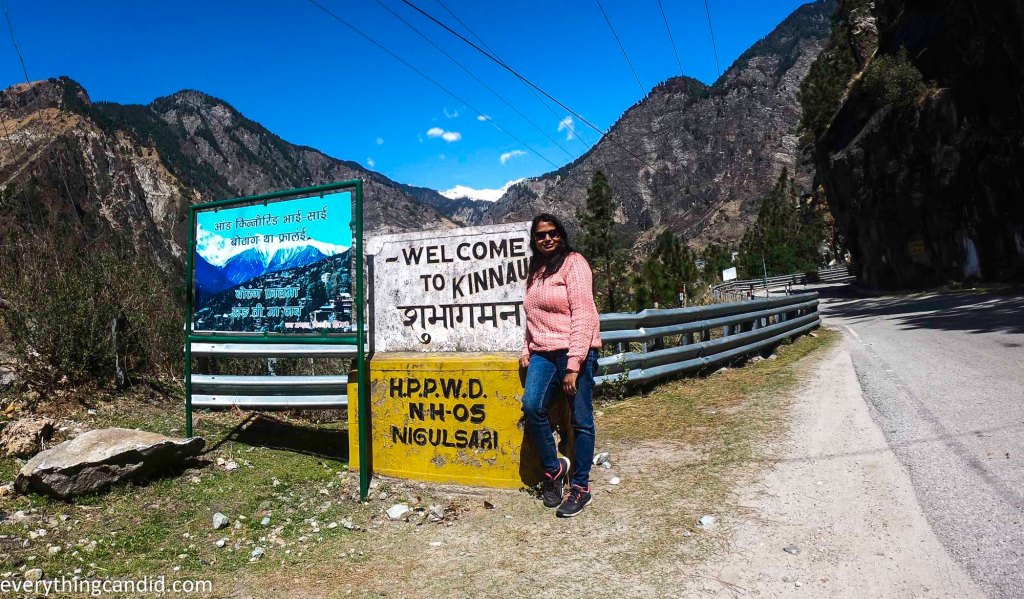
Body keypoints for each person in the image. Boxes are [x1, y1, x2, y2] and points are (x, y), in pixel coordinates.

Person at [519, 213, 602, 518]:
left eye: (553, 233)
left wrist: (574, 364)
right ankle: (554, 472)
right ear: (534, 240)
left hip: (574, 350)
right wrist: (526, 347)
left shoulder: (574, 263)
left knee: (581, 419)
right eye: (541, 235)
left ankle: (580, 487)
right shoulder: (537, 269)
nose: (547, 239)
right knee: (531, 407)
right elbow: (531, 314)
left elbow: (583, 314)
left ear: (561, 234)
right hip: (543, 353)